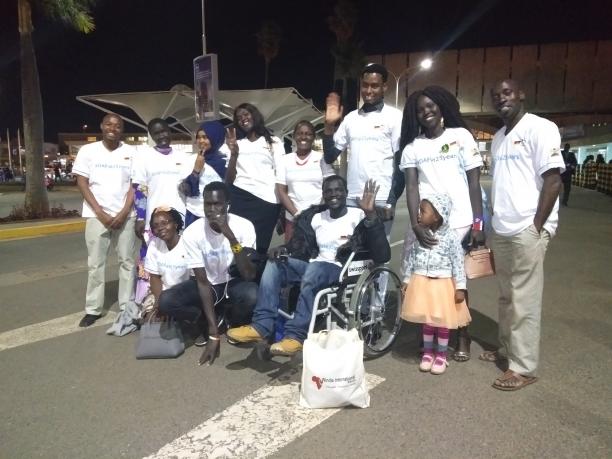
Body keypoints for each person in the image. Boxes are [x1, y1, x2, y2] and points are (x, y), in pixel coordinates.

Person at [227, 176, 390, 356]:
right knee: (275, 263)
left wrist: (371, 215)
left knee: (315, 269)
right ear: (323, 195)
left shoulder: (359, 215)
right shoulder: (315, 217)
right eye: (328, 191)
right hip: (314, 266)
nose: (333, 194)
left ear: (346, 193)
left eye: (338, 190)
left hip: (342, 269)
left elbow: (382, 255)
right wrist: (282, 249)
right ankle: (261, 325)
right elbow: (298, 246)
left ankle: (295, 336)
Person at [484, 79, 564, 391]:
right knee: (506, 297)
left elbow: (553, 181)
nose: (500, 98)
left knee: (524, 300)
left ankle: (524, 366)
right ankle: (507, 351)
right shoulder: (499, 137)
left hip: (528, 229)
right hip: (502, 229)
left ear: (521, 95)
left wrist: (536, 227)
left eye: (506, 92)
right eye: (495, 95)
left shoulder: (540, 128)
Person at [398, 85, 484, 362]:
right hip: (426, 222)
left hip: (458, 220)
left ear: (441, 106)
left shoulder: (460, 137)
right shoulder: (413, 147)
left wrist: (478, 224)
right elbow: (411, 188)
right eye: (420, 109)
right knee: (424, 277)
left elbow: (474, 183)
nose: (426, 112)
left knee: (452, 278)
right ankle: (430, 332)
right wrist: (415, 225)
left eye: (430, 105)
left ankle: (462, 334)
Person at [158, 181, 259, 366]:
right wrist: (213, 335)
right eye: (207, 204)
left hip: (234, 282)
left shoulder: (244, 226)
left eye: (217, 204)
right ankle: (206, 321)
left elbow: (248, 274)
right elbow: (202, 283)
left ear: (227, 204)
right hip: (209, 285)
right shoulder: (193, 232)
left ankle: (231, 322)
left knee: (252, 294)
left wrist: (230, 236)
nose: (212, 209)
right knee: (166, 301)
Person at [73, 113, 139, 327]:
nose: (113, 128)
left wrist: (123, 212)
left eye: (118, 125)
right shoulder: (88, 151)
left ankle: (126, 307)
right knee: (96, 264)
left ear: (122, 129)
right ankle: (93, 309)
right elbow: (82, 182)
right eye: (109, 124)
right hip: (96, 216)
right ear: (101, 126)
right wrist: (100, 213)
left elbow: (134, 185)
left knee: (127, 263)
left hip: (126, 216)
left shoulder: (131, 152)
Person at [322, 63, 404, 234]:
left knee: (378, 255)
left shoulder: (395, 117)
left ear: (384, 87)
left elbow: (400, 163)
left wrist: (391, 201)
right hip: (352, 198)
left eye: (374, 86)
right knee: (351, 254)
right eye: (365, 85)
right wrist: (329, 125)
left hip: (379, 199)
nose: (368, 90)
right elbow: (330, 156)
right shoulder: (351, 119)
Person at [402, 194, 470, 375]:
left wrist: (461, 287)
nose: (418, 215)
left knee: (441, 321)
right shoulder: (421, 235)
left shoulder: (451, 237)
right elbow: (412, 258)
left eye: (423, 211)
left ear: (437, 216)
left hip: (442, 285)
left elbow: (458, 263)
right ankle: (428, 352)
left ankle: (441, 354)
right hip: (421, 282)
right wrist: (407, 279)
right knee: (428, 320)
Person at [224, 103, 285, 255]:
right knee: (237, 242)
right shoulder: (237, 144)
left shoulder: (273, 142)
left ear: (255, 115)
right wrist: (234, 154)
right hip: (240, 197)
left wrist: (283, 206)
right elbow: (229, 180)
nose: (243, 119)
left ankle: (256, 276)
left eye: (246, 114)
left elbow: (281, 174)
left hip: (267, 201)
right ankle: (238, 272)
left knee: (260, 246)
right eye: (239, 118)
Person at [132, 118, 193, 238]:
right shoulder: (143, 158)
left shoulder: (184, 158)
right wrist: (140, 217)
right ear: (152, 136)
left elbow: (189, 188)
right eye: (156, 133)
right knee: (153, 254)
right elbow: (140, 190)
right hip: (154, 219)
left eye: (164, 131)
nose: (161, 136)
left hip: (180, 217)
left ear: (169, 131)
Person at [276, 120, 334, 242]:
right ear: (294, 136)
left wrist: (316, 213)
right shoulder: (284, 160)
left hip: (319, 219)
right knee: (293, 258)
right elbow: (281, 191)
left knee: (318, 256)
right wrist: (297, 215)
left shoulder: (321, 159)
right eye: (300, 133)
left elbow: (330, 187)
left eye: (308, 134)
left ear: (313, 137)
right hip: (293, 219)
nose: (303, 137)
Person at [144, 207, 191, 317]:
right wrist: (158, 302)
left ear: (175, 224)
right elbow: (155, 277)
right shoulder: (154, 245)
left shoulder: (188, 244)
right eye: (155, 226)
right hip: (163, 293)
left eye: (164, 223)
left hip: (186, 292)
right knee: (147, 317)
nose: (160, 228)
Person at [180, 121, 227, 227]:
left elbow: (230, 188)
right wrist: (196, 170)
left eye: (205, 137)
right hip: (195, 213)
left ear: (216, 138)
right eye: (198, 137)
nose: (201, 141)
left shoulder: (226, 161)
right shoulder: (190, 160)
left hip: (220, 214)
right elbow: (185, 191)